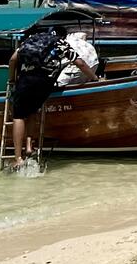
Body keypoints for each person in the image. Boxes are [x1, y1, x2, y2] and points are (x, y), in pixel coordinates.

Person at [8, 27, 100, 170]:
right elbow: (80, 63)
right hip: (46, 82)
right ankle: (29, 146)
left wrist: (12, 79)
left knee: (19, 116)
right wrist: (94, 78)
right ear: (64, 36)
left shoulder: (33, 39)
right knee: (33, 111)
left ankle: (18, 158)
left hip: (27, 80)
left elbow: (13, 59)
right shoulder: (61, 44)